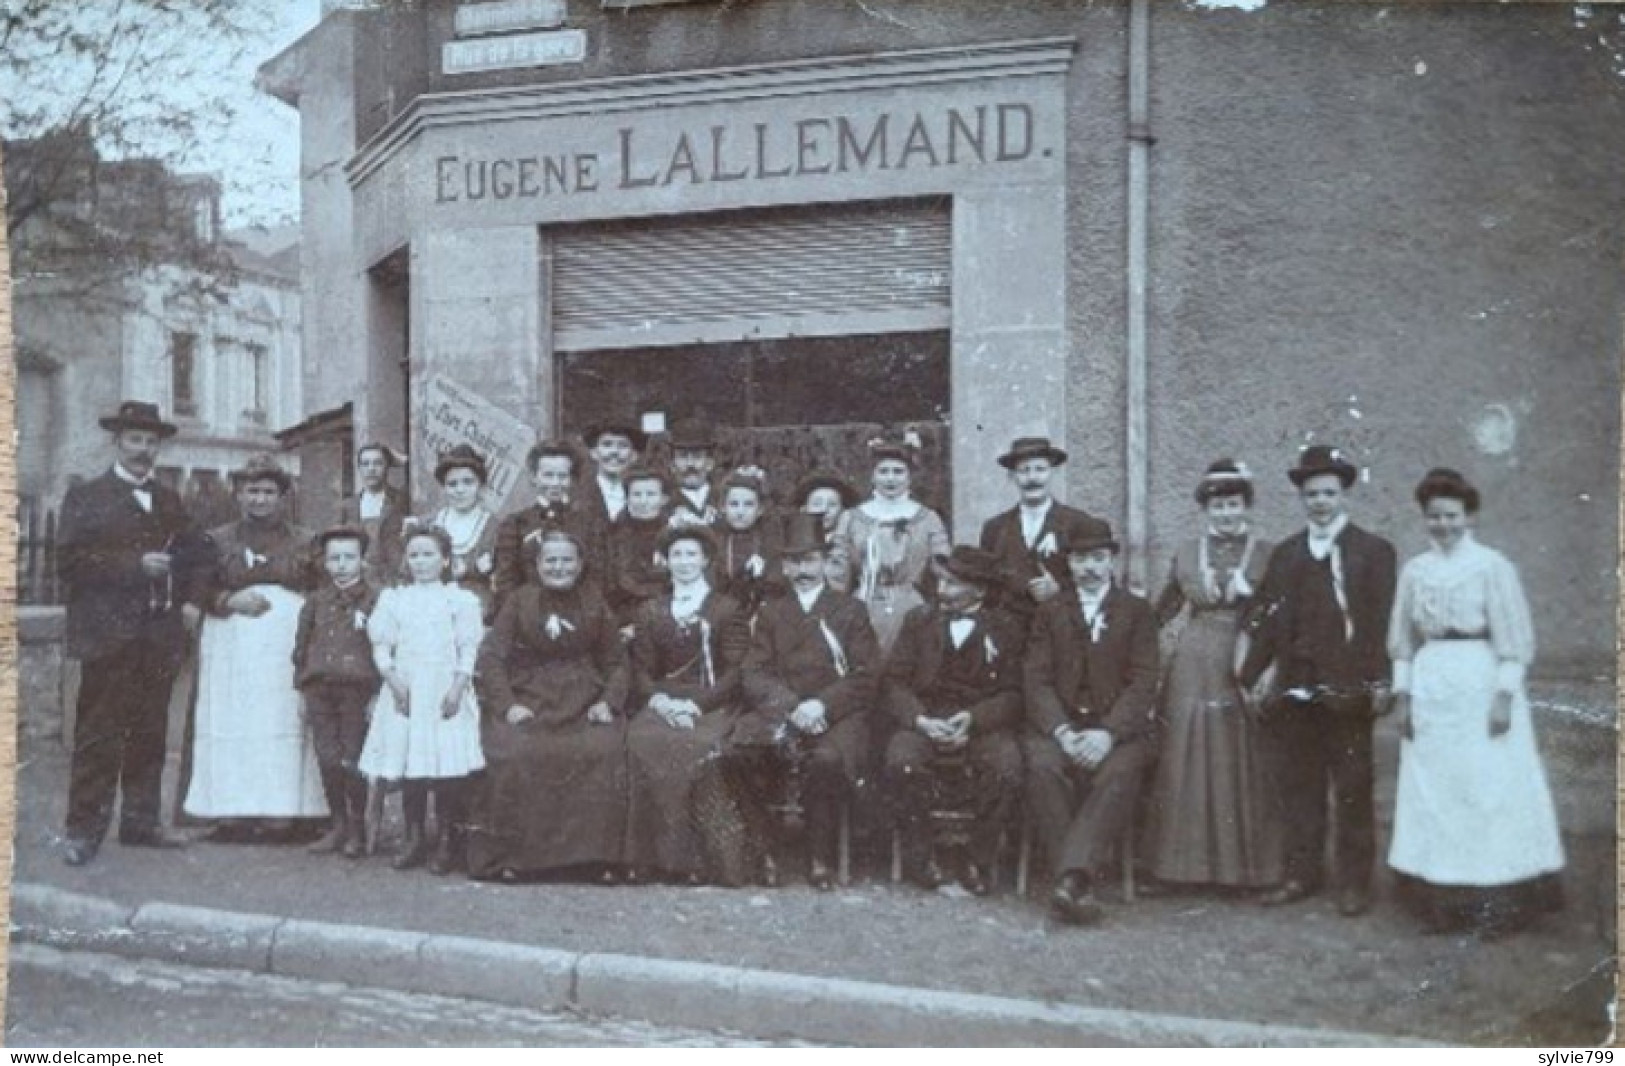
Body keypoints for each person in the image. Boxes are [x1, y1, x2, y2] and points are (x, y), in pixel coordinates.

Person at [1386, 468, 1564, 936]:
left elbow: (1515, 640)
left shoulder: (1491, 566)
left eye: (1451, 516)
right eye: (1433, 517)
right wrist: (1403, 696)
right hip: (1431, 686)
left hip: (1481, 683)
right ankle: (1446, 903)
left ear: (1469, 517)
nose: (1442, 525)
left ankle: (1498, 903)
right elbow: (1402, 641)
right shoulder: (1415, 571)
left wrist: (1504, 694)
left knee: (1487, 792)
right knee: (1437, 794)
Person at [1237, 444, 1397, 917]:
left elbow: (1381, 620)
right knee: (1300, 789)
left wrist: (1381, 680)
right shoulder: (1287, 554)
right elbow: (1267, 618)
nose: (1321, 502)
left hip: (1347, 691)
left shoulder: (1372, 552)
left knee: (1352, 786)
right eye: (1312, 494)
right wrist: (1251, 675)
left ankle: (1354, 884)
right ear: (1301, 499)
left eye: (1328, 492)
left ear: (1343, 494)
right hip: (1296, 690)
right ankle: (1301, 875)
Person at [57, 401, 204, 865]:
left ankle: (140, 823)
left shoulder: (168, 499)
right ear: (117, 442)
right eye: (134, 440)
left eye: (150, 442)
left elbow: (196, 553)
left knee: (149, 734)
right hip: (107, 638)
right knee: (99, 737)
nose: (143, 450)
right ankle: (82, 832)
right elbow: (69, 563)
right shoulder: (86, 497)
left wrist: (192, 600)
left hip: (157, 638)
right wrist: (133, 566)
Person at [1143, 459, 1283, 892]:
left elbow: (1280, 612)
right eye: (1218, 505)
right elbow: (1163, 609)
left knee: (1241, 754)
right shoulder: (1186, 552)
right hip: (1195, 656)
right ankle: (1180, 869)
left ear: (1246, 505)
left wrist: (1267, 663)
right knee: (1186, 754)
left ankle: (1248, 871)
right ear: (1206, 508)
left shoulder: (1267, 553)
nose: (1226, 512)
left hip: (1245, 655)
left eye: (1234, 503)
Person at [468, 529, 631, 882]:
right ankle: (515, 858)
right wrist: (508, 705)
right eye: (551, 560)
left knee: (603, 750)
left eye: (567, 560)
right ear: (538, 565)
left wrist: (608, 702)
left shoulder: (594, 601)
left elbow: (617, 661)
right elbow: (492, 657)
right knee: (516, 752)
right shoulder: (518, 601)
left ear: (580, 564)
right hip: (530, 696)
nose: (559, 567)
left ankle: (596, 858)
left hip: (583, 697)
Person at [730, 514, 882, 890]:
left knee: (827, 760)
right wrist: (791, 706)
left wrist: (822, 707)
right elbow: (754, 671)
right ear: (784, 566)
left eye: (810, 560)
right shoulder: (771, 611)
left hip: (837, 712)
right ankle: (764, 849)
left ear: (826, 562)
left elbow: (866, 674)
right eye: (794, 562)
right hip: (785, 709)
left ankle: (820, 857)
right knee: (740, 751)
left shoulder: (850, 610)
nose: (802, 570)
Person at [1023, 516, 1158, 926]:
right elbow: (1036, 679)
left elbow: (1144, 681)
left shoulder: (1135, 611)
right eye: (1081, 559)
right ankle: (1076, 881)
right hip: (1061, 727)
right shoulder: (1050, 611)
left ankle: (1069, 879)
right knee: (1042, 766)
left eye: (1098, 558)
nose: (1090, 568)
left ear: (1112, 561)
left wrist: (1108, 733)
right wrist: (1062, 731)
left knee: (1118, 773)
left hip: (1116, 731)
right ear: (1070, 563)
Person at [184, 454, 328, 838]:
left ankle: (282, 814)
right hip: (232, 646)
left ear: (283, 496)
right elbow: (197, 586)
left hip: (284, 648)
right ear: (238, 494)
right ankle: (232, 814)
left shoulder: (307, 540)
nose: (260, 500)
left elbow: (321, 591)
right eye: (252, 491)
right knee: (234, 722)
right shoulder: (216, 539)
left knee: (281, 722)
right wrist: (227, 601)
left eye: (268, 492)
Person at [881, 546, 1025, 895]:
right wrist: (920, 720)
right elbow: (894, 681)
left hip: (979, 723)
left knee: (1006, 768)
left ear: (980, 590)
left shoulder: (1006, 627)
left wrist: (973, 720)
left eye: (952, 583)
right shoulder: (919, 620)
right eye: (941, 580)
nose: (941, 589)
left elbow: (1014, 693)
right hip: (926, 717)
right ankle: (921, 854)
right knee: (902, 762)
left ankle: (978, 857)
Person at [624, 526, 754, 885]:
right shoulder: (651, 609)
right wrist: (659, 700)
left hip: (711, 702)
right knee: (640, 741)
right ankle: (647, 859)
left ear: (706, 560)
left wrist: (696, 707)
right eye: (676, 555)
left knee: (696, 747)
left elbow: (735, 672)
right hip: (664, 701)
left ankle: (695, 861)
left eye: (691, 555)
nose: (683, 563)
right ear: (666, 561)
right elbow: (642, 668)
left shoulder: (726, 608)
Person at [357, 525, 487, 874]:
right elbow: (381, 646)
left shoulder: (460, 600)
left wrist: (459, 687)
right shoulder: (394, 599)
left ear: (445, 559)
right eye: (414, 554)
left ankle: (446, 840)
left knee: (446, 766)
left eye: (429, 554)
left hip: (445, 687)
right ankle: (413, 837)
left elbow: (468, 648)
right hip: (407, 687)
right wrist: (395, 682)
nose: (421, 561)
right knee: (410, 761)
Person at [292, 526, 382, 859]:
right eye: (334, 559)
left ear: (362, 560)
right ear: (325, 562)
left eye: (349, 557)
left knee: (353, 758)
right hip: (320, 688)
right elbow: (301, 648)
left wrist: (378, 694)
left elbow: (385, 648)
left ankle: (357, 828)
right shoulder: (316, 601)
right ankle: (338, 824)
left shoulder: (376, 599)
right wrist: (302, 688)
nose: (342, 565)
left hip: (358, 690)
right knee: (327, 756)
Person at [843, 430, 950, 653]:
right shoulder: (852, 518)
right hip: (864, 602)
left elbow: (943, 568)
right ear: (872, 476)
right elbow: (839, 570)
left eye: (898, 472)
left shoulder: (928, 518)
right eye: (883, 471)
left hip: (911, 606)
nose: (890, 478)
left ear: (910, 476)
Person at [978, 436, 1100, 623]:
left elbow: (1098, 584)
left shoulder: (1078, 523)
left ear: (1053, 473)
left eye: (1040, 469)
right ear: (1012, 477)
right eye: (1024, 471)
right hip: (1009, 637)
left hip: (1062, 633)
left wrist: (1059, 590)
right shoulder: (995, 528)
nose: (1032, 478)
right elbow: (986, 587)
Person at [492, 440, 592, 612]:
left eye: (562, 476)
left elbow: (595, 577)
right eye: (548, 475)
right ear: (534, 478)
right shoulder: (515, 524)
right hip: (529, 613)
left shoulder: (588, 522)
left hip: (578, 612)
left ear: (571, 479)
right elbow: (506, 580)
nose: (555, 483)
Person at [421, 444, 499, 617]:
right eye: (452, 484)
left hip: (477, 608)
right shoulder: (429, 524)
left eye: (468, 482)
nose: (460, 490)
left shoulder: (494, 526)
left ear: (481, 485)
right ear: (443, 488)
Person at [607, 466, 673, 630]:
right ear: (627, 498)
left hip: (669, 614)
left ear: (664, 499)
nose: (643, 501)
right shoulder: (613, 535)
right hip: (624, 615)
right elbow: (617, 581)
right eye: (636, 494)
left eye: (651, 494)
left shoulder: (675, 533)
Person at [714, 469, 785, 620]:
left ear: (760, 510)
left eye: (748, 505)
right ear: (723, 508)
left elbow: (776, 584)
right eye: (734, 504)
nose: (740, 512)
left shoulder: (768, 543)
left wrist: (761, 578)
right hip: (722, 615)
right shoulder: (717, 542)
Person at [338, 443, 408, 587]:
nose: (371, 469)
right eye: (365, 464)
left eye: (378, 463)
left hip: (391, 577)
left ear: (387, 467)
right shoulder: (348, 506)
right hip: (359, 578)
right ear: (359, 469)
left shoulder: (401, 501)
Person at [792, 470, 859, 592]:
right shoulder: (791, 546)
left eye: (832, 504)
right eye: (817, 504)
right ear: (804, 509)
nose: (824, 509)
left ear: (843, 510)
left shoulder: (850, 548)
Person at [667, 418, 723, 532]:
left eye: (697, 457)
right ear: (672, 465)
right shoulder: (665, 502)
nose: (690, 464)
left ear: (710, 463)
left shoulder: (724, 498)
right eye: (682, 456)